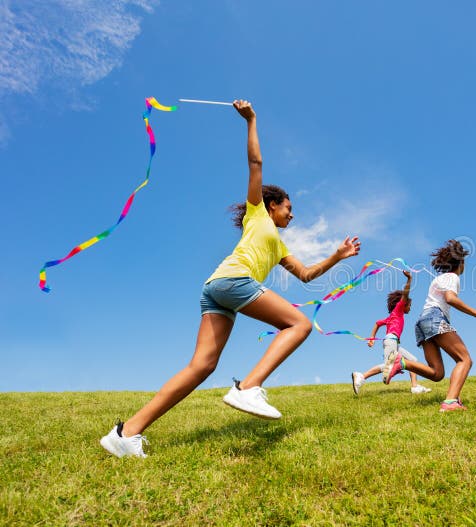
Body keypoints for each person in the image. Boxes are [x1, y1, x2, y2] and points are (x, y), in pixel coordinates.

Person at [101, 100, 361, 458]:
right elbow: (256, 163)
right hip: (232, 282)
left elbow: (305, 275)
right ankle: (249, 387)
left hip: (216, 290)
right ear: (272, 205)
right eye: (288, 207)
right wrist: (251, 120)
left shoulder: (279, 246)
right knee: (299, 324)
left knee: (202, 366)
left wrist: (337, 256)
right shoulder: (257, 213)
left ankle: (126, 432)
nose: (292, 213)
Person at [383, 240, 476, 412]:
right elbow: (450, 298)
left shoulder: (440, 278)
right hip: (434, 319)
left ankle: (402, 362)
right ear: (461, 263)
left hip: (422, 323)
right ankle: (450, 402)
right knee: (464, 360)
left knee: (437, 373)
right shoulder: (452, 277)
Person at [350, 270, 431, 395]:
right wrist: (409, 279)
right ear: (403, 304)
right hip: (391, 341)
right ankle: (361, 376)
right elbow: (406, 293)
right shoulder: (398, 310)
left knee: (413, 360)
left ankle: (414, 387)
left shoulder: (391, 317)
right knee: (389, 368)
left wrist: (372, 338)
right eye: (409, 305)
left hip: (394, 343)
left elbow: (377, 323)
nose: (410, 307)